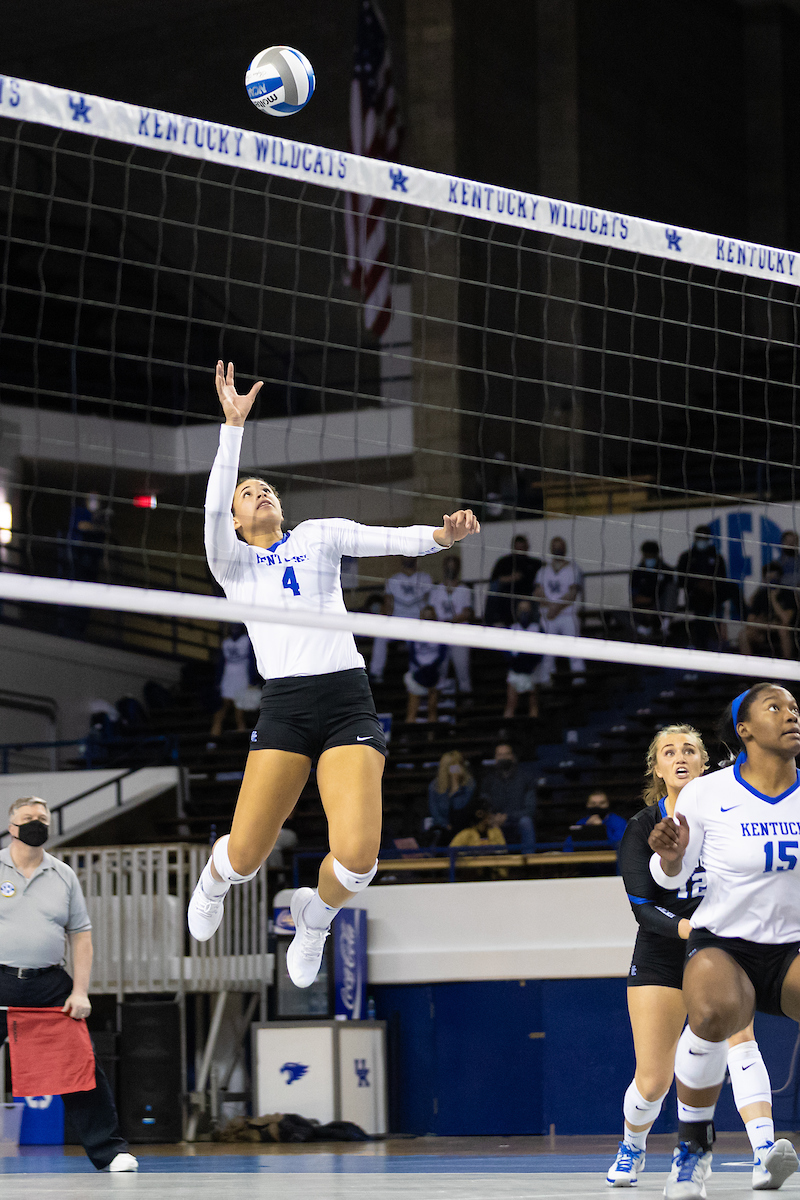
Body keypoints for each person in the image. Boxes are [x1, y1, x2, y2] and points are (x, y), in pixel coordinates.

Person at [187, 362, 480, 991]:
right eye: (248, 492)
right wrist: (232, 429)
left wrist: (440, 535)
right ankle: (215, 879)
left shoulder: (317, 537)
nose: (258, 493)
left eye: (266, 488)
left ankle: (313, 916)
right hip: (286, 708)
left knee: (358, 859)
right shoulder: (232, 565)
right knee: (245, 858)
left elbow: (387, 538)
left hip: (347, 699)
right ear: (236, 521)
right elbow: (213, 506)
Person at [606, 726, 778, 1188]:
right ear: (657, 768)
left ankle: (765, 1148)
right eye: (669, 751)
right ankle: (633, 1145)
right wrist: (693, 929)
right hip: (663, 954)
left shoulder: (729, 815)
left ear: (705, 764)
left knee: (741, 1040)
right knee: (653, 1082)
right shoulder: (644, 826)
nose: (679, 757)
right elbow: (643, 907)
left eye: (689, 750)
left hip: (720, 949)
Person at [648, 683, 800, 1198]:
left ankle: (762, 1152)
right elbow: (674, 879)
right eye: (775, 708)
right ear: (744, 729)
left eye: (794, 708)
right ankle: (692, 1149)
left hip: (792, 948)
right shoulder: (708, 794)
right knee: (713, 1013)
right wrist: (668, 857)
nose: (790, 715)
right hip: (724, 945)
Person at [0, 797, 136, 1173]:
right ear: (12, 827)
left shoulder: (62, 874)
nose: (35, 823)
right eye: (27, 818)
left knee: (81, 1065)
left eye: (42, 818)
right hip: (1, 979)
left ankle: (110, 1152)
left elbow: (81, 935)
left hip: (48, 984)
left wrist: (80, 991)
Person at [368, 557, 434, 685]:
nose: (408, 558)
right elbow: (388, 606)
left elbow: (428, 604)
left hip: (416, 621)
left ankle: (416, 675)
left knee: (418, 640)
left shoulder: (425, 578)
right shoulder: (393, 580)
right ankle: (376, 673)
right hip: (397, 621)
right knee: (380, 635)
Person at [533, 536, 585, 684]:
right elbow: (538, 592)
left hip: (567, 614)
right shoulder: (543, 571)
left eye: (560, 546)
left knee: (574, 649)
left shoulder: (573, 569)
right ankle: (547, 681)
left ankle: (579, 680)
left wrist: (556, 607)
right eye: (555, 546)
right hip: (548, 615)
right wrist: (550, 607)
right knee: (548, 652)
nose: (557, 549)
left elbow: (572, 593)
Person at [676, 525, 728, 651]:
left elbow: (723, 578)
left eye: (704, 537)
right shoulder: (686, 557)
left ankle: (721, 646)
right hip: (695, 597)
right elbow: (681, 580)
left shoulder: (716, 557)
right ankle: (701, 645)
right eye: (699, 537)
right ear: (695, 538)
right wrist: (697, 584)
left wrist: (710, 585)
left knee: (717, 606)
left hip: (714, 596)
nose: (702, 540)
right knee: (701, 609)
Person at [429, 555, 474, 699]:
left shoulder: (464, 589)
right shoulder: (437, 589)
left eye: (453, 565)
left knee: (462, 670)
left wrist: (450, 621)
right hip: (441, 635)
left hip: (459, 634)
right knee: (440, 671)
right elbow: (431, 611)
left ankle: (467, 701)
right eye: (448, 565)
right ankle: (439, 702)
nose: (450, 569)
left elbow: (467, 612)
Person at [479, 741, 536, 853]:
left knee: (526, 822)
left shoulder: (526, 778)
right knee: (486, 824)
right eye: (500, 755)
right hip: (496, 821)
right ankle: (496, 866)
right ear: (495, 758)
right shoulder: (488, 780)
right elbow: (483, 805)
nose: (503, 758)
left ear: (513, 757)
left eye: (506, 754)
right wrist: (492, 818)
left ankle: (529, 862)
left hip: (517, 820)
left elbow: (530, 809)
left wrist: (508, 816)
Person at [208, 624, 260, 744]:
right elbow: (221, 663)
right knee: (225, 710)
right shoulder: (227, 642)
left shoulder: (245, 641)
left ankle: (239, 744)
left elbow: (252, 661)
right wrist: (218, 681)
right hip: (230, 678)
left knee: (238, 712)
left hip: (241, 678)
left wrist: (252, 679)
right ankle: (213, 742)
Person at [483, 534, 541, 628]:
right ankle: (492, 621)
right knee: (493, 590)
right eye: (517, 548)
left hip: (528, 597)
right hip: (506, 595)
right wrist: (511, 578)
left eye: (522, 548)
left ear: (527, 547)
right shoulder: (504, 562)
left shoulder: (535, 564)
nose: (519, 551)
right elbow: (494, 581)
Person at [403, 605, 448, 725]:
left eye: (430, 617)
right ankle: (408, 736)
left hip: (435, 673)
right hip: (418, 672)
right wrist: (420, 667)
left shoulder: (440, 632)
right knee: (412, 707)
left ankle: (431, 738)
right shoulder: (415, 632)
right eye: (425, 616)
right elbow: (412, 653)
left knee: (432, 708)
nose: (428, 619)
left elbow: (443, 653)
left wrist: (432, 668)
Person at [739, 562, 792, 660]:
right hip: (764, 633)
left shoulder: (788, 594)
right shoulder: (760, 596)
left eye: (774, 578)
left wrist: (773, 599)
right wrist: (769, 624)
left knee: (783, 630)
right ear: (764, 579)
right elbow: (750, 622)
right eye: (769, 579)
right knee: (743, 634)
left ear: (780, 578)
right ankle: (748, 670)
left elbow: (786, 620)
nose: (772, 581)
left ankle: (786, 666)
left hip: (782, 633)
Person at [503, 598, 543, 719]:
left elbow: (540, 652)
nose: (524, 613)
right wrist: (516, 663)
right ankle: (506, 730)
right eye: (521, 610)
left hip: (532, 671)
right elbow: (507, 652)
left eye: (526, 610)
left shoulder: (537, 629)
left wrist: (530, 663)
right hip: (515, 671)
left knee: (533, 702)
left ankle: (534, 729)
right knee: (511, 703)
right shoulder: (512, 628)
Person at [427, 750, 476, 842]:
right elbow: (434, 811)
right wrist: (444, 824)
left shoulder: (469, 784)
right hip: (441, 828)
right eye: (451, 766)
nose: (455, 769)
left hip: (463, 826)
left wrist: (456, 788)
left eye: (457, 765)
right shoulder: (434, 786)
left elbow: (461, 809)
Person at [630, 540, 674, 639]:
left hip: (660, 608)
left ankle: (665, 624)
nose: (649, 558)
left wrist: (653, 601)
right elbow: (635, 597)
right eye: (647, 556)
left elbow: (669, 593)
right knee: (620, 614)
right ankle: (643, 629)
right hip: (642, 608)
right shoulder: (638, 572)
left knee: (671, 588)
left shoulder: (666, 570)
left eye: (651, 556)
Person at [563, 789, 627, 851]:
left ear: (608, 804)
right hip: (586, 859)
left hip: (611, 860)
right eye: (593, 804)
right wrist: (586, 827)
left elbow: (620, 846)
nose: (597, 806)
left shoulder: (619, 822)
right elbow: (569, 846)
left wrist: (601, 828)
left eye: (602, 803)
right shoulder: (582, 822)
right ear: (587, 805)